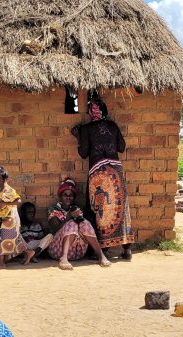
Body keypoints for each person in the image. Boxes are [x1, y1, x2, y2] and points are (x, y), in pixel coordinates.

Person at [72, 94, 134, 260]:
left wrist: (78, 136)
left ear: (90, 113)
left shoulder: (86, 129)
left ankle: (104, 249)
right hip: (116, 171)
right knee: (120, 208)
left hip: (98, 173)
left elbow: (83, 153)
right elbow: (121, 147)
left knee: (100, 209)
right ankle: (127, 248)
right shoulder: (112, 126)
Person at [47, 179, 110, 270]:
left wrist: (79, 218)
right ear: (60, 196)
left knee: (84, 223)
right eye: (65, 195)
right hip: (57, 250)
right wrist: (68, 217)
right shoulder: (53, 210)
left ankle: (101, 255)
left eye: (71, 195)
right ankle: (63, 258)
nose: (68, 197)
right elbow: (55, 228)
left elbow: (82, 227)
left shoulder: (76, 208)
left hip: (76, 252)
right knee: (71, 223)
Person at [0, 166, 34, 268]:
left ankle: (2, 262)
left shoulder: (8, 190)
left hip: (9, 221)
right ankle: (28, 252)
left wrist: (4, 202)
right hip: (3, 220)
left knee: (3, 239)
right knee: (8, 239)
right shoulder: (1, 190)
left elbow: (18, 201)